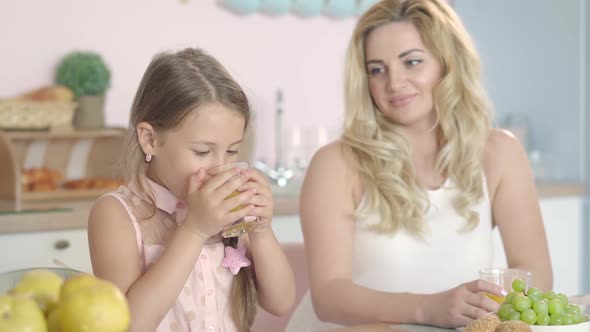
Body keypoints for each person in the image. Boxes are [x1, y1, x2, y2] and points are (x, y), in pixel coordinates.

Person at [286, 0, 552, 330]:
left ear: (448, 63)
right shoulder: (336, 164)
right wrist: (429, 308)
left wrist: (487, 300)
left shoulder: (500, 154)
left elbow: (535, 273)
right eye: (377, 69)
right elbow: (329, 297)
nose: (394, 83)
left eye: (412, 62)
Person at [88, 48, 296, 332]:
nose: (219, 167)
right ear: (150, 140)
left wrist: (261, 230)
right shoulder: (116, 214)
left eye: (232, 150)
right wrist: (195, 230)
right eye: (202, 151)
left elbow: (281, 302)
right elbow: (127, 325)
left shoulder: (229, 212)